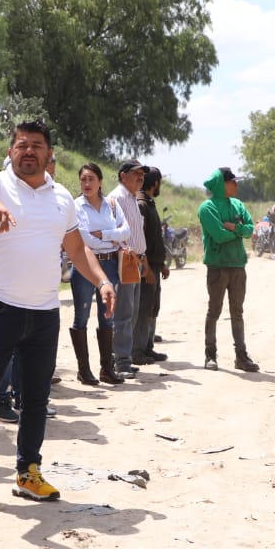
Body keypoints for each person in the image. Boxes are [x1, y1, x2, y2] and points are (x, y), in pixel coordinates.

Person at [0, 120, 115, 509]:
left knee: (35, 398)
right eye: (22, 145)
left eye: (37, 145)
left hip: (44, 312)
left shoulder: (62, 198)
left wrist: (102, 280)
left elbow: (77, 247)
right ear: (11, 150)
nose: (29, 151)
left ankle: (28, 472)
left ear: (49, 154)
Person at [198, 166, 259, 373]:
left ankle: (241, 357)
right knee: (214, 311)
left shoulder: (238, 205)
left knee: (238, 313)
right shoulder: (207, 208)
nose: (236, 184)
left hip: (238, 266)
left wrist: (234, 228)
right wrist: (238, 231)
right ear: (221, 184)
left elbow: (251, 229)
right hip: (217, 267)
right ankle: (210, 355)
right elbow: (218, 236)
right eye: (232, 181)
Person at [71, 162, 127, 385]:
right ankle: (84, 369)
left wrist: (104, 234)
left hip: (110, 263)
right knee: (81, 316)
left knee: (108, 316)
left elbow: (127, 231)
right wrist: (111, 237)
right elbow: (84, 238)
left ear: (100, 182)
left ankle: (107, 368)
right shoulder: (76, 206)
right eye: (83, 179)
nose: (87, 183)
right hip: (84, 262)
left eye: (91, 179)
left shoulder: (111, 205)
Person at [106, 160, 148, 377]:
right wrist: (129, 253)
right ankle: (120, 362)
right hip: (124, 262)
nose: (140, 177)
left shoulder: (132, 198)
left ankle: (124, 358)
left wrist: (143, 259)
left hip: (136, 262)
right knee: (123, 313)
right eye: (136, 173)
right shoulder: (116, 198)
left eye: (142, 174)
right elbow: (112, 232)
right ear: (123, 176)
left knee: (131, 312)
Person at [132, 165, 169, 365]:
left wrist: (161, 264)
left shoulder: (149, 203)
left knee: (152, 307)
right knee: (143, 308)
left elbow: (155, 238)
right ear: (155, 183)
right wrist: (146, 268)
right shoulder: (141, 205)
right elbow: (141, 240)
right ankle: (137, 351)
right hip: (146, 267)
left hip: (154, 265)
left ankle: (147, 348)